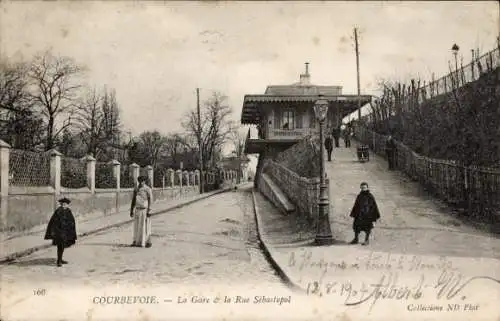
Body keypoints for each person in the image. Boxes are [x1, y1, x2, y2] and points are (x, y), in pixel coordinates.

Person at [44, 197, 77, 267]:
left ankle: (60, 259)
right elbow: (53, 222)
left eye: (65, 204)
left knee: (63, 246)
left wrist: (70, 226)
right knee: (60, 246)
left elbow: (71, 220)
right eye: (63, 204)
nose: (64, 205)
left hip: (66, 232)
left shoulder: (68, 211)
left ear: (67, 205)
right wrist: (56, 231)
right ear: (61, 204)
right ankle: (59, 261)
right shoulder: (58, 211)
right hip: (59, 232)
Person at [130, 175, 153, 248]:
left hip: (144, 210)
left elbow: (150, 200)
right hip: (137, 209)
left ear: (144, 181)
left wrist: (149, 210)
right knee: (136, 226)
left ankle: (146, 242)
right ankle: (136, 241)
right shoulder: (136, 189)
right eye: (139, 181)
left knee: (145, 226)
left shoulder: (147, 189)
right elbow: (133, 199)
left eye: (142, 181)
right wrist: (131, 210)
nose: (140, 183)